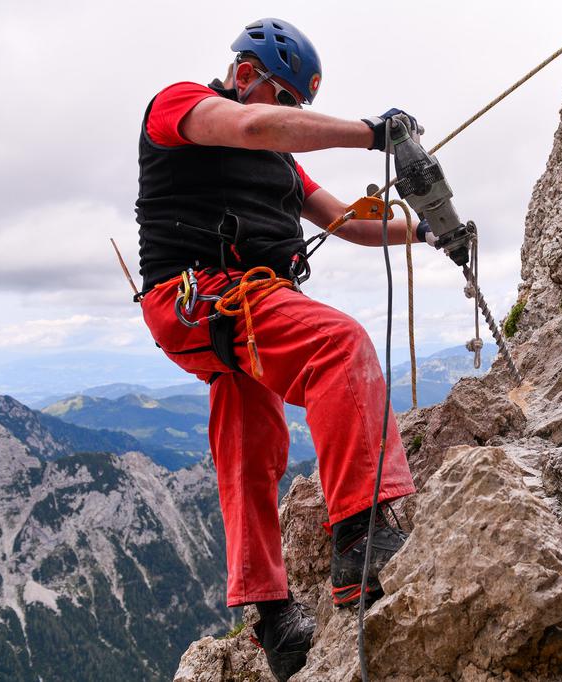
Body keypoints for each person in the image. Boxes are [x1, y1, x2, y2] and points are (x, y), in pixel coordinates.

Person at [134, 18, 429, 681]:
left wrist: (427, 231)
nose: (292, 118)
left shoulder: (280, 163)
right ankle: (361, 535)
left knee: (249, 438)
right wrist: (369, 132)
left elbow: (346, 224)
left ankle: (273, 617)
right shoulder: (182, 104)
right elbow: (251, 128)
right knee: (339, 345)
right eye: (288, 102)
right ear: (245, 76)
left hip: (214, 316)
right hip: (208, 293)